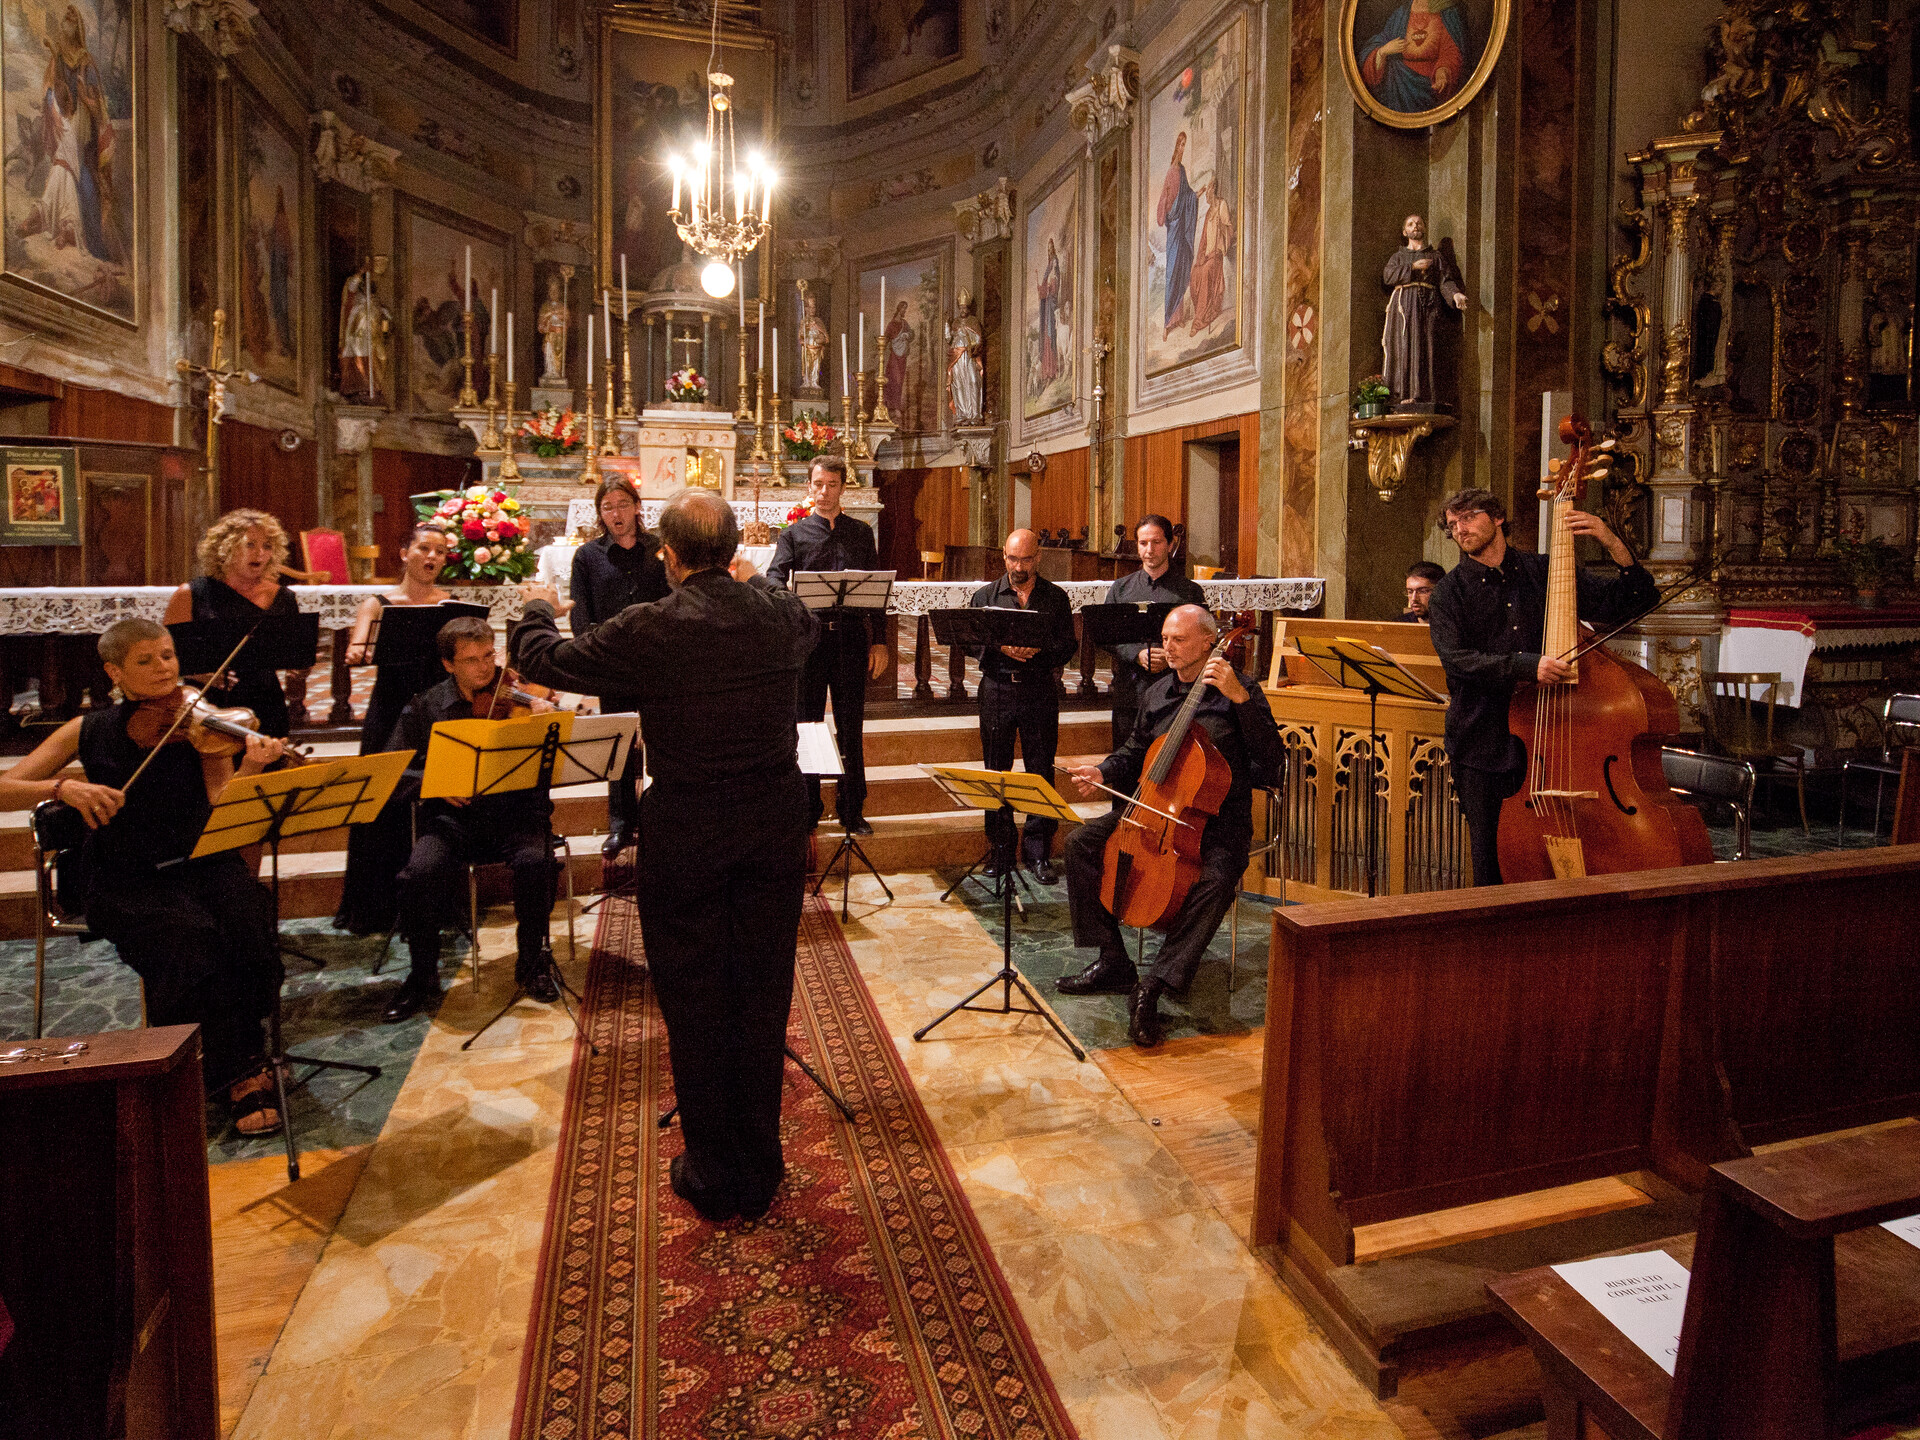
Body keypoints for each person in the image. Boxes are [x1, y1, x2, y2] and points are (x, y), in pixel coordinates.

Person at [509, 488, 817, 1225]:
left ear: (669, 556)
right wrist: (750, 581)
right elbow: (804, 625)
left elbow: (543, 657)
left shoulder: (653, 626)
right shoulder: (779, 612)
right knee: (762, 987)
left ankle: (714, 1170)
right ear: (734, 548)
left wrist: (534, 604)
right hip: (774, 823)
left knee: (696, 994)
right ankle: (762, 1161)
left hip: (690, 829)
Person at [0, 618, 292, 1132]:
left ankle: (241, 1056)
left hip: (202, 863)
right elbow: (6, 786)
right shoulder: (87, 729)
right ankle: (231, 1076)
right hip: (126, 877)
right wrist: (63, 789)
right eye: (145, 661)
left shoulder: (200, 722)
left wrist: (250, 769)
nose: (163, 669)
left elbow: (221, 805)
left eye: (168, 655)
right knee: (188, 942)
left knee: (251, 925)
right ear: (114, 671)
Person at [1057, 605, 1281, 1047]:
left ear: (1208, 643)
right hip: (1155, 811)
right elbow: (1135, 750)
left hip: (1218, 821)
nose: (1167, 648)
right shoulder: (1157, 692)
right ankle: (1112, 958)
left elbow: (1273, 759)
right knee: (1081, 843)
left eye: (1178, 640)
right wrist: (1102, 771)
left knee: (1216, 879)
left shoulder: (1240, 691)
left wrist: (1240, 700)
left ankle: (1155, 985)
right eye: (1165, 638)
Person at [1426, 487, 1656, 887]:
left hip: (1558, 741)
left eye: (1468, 517)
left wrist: (1610, 539)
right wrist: (1528, 666)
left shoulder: (1548, 572)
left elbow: (1633, 601)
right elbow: (1457, 660)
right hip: (1484, 744)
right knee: (1492, 864)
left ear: (1497, 517)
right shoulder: (1449, 593)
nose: (1460, 529)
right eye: (1453, 524)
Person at [382, 617, 560, 1022]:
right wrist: (434, 783)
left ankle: (532, 962)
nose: (485, 669)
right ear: (448, 665)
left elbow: (555, 759)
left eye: (489, 656)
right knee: (417, 874)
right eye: (471, 660)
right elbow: (395, 773)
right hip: (452, 820)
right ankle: (422, 975)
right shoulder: (426, 706)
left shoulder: (517, 696)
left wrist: (545, 721)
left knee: (537, 862)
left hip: (515, 814)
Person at [333, 524, 455, 935]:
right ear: (405, 553)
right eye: (424, 547)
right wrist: (357, 650)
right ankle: (373, 906)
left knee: (437, 796)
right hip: (391, 708)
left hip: (436, 709)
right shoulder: (378, 602)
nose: (432, 556)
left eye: (439, 551)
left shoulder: (450, 605)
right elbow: (358, 644)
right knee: (380, 796)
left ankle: (430, 901)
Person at [767, 456, 889, 835]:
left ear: (841, 488)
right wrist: (785, 598)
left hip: (851, 639)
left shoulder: (860, 533)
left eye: (832, 485)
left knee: (851, 725)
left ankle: (852, 808)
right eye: (818, 484)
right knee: (808, 725)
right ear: (809, 486)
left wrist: (880, 641)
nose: (824, 492)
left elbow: (874, 589)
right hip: (812, 641)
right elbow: (773, 576)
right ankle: (808, 806)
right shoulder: (794, 535)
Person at [570, 476, 671, 857]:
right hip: (612, 662)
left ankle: (658, 818)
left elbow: (674, 597)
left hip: (655, 661)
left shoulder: (659, 549)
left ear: (637, 506)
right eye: (607, 506)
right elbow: (581, 614)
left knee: (660, 738)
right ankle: (620, 822)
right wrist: (593, 654)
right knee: (619, 741)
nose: (616, 513)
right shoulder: (587, 557)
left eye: (623, 504)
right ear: (600, 513)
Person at [969, 528, 1077, 882]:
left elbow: (1068, 646)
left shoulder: (1055, 598)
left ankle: (1038, 854)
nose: (1018, 566)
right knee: (995, 771)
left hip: (1039, 690)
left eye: (1026, 559)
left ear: (1038, 558)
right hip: (998, 689)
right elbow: (970, 642)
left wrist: (1039, 651)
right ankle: (1000, 853)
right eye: (1012, 558)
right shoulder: (986, 596)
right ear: (1003, 556)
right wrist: (1002, 648)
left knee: (1040, 770)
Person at [164, 508, 301, 739]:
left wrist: (299, 666)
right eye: (249, 544)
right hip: (208, 704)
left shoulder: (283, 597)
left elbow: (293, 652)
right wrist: (201, 674)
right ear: (225, 548)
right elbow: (167, 654)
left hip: (265, 701)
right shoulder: (191, 594)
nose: (259, 553)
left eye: (267, 546)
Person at [1104, 514, 1205, 748]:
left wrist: (1168, 656)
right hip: (1130, 692)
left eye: (1157, 542)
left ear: (1170, 545)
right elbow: (1107, 636)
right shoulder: (1121, 589)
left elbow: (1202, 640)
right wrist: (1137, 654)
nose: (1149, 549)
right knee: (1125, 769)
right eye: (1143, 543)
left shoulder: (1189, 592)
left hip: (1174, 693)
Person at [1381, 214, 1467, 408]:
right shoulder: (1398, 257)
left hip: (1428, 306)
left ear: (1424, 228)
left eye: (1419, 223)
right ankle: (1401, 395)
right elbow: (1387, 276)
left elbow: (1445, 281)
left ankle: (1424, 395)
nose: (1415, 226)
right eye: (1410, 224)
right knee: (1404, 346)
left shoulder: (1435, 256)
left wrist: (1455, 295)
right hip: (1403, 308)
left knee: (1426, 347)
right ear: (1405, 232)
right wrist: (1412, 267)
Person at [1156, 131, 1198, 338]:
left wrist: (1197, 195)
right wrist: (1167, 208)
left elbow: (1188, 194)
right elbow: (1165, 199)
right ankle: (1167, 322)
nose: (1182, 148)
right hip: (1174, 227)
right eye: (1180, 144)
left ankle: (1178, 318)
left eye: (1185, 145)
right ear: (1176, 146)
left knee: (1181, 270)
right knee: (1172, 273)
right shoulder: (1171, 172)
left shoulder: (1182, 171)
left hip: (1182, 229)